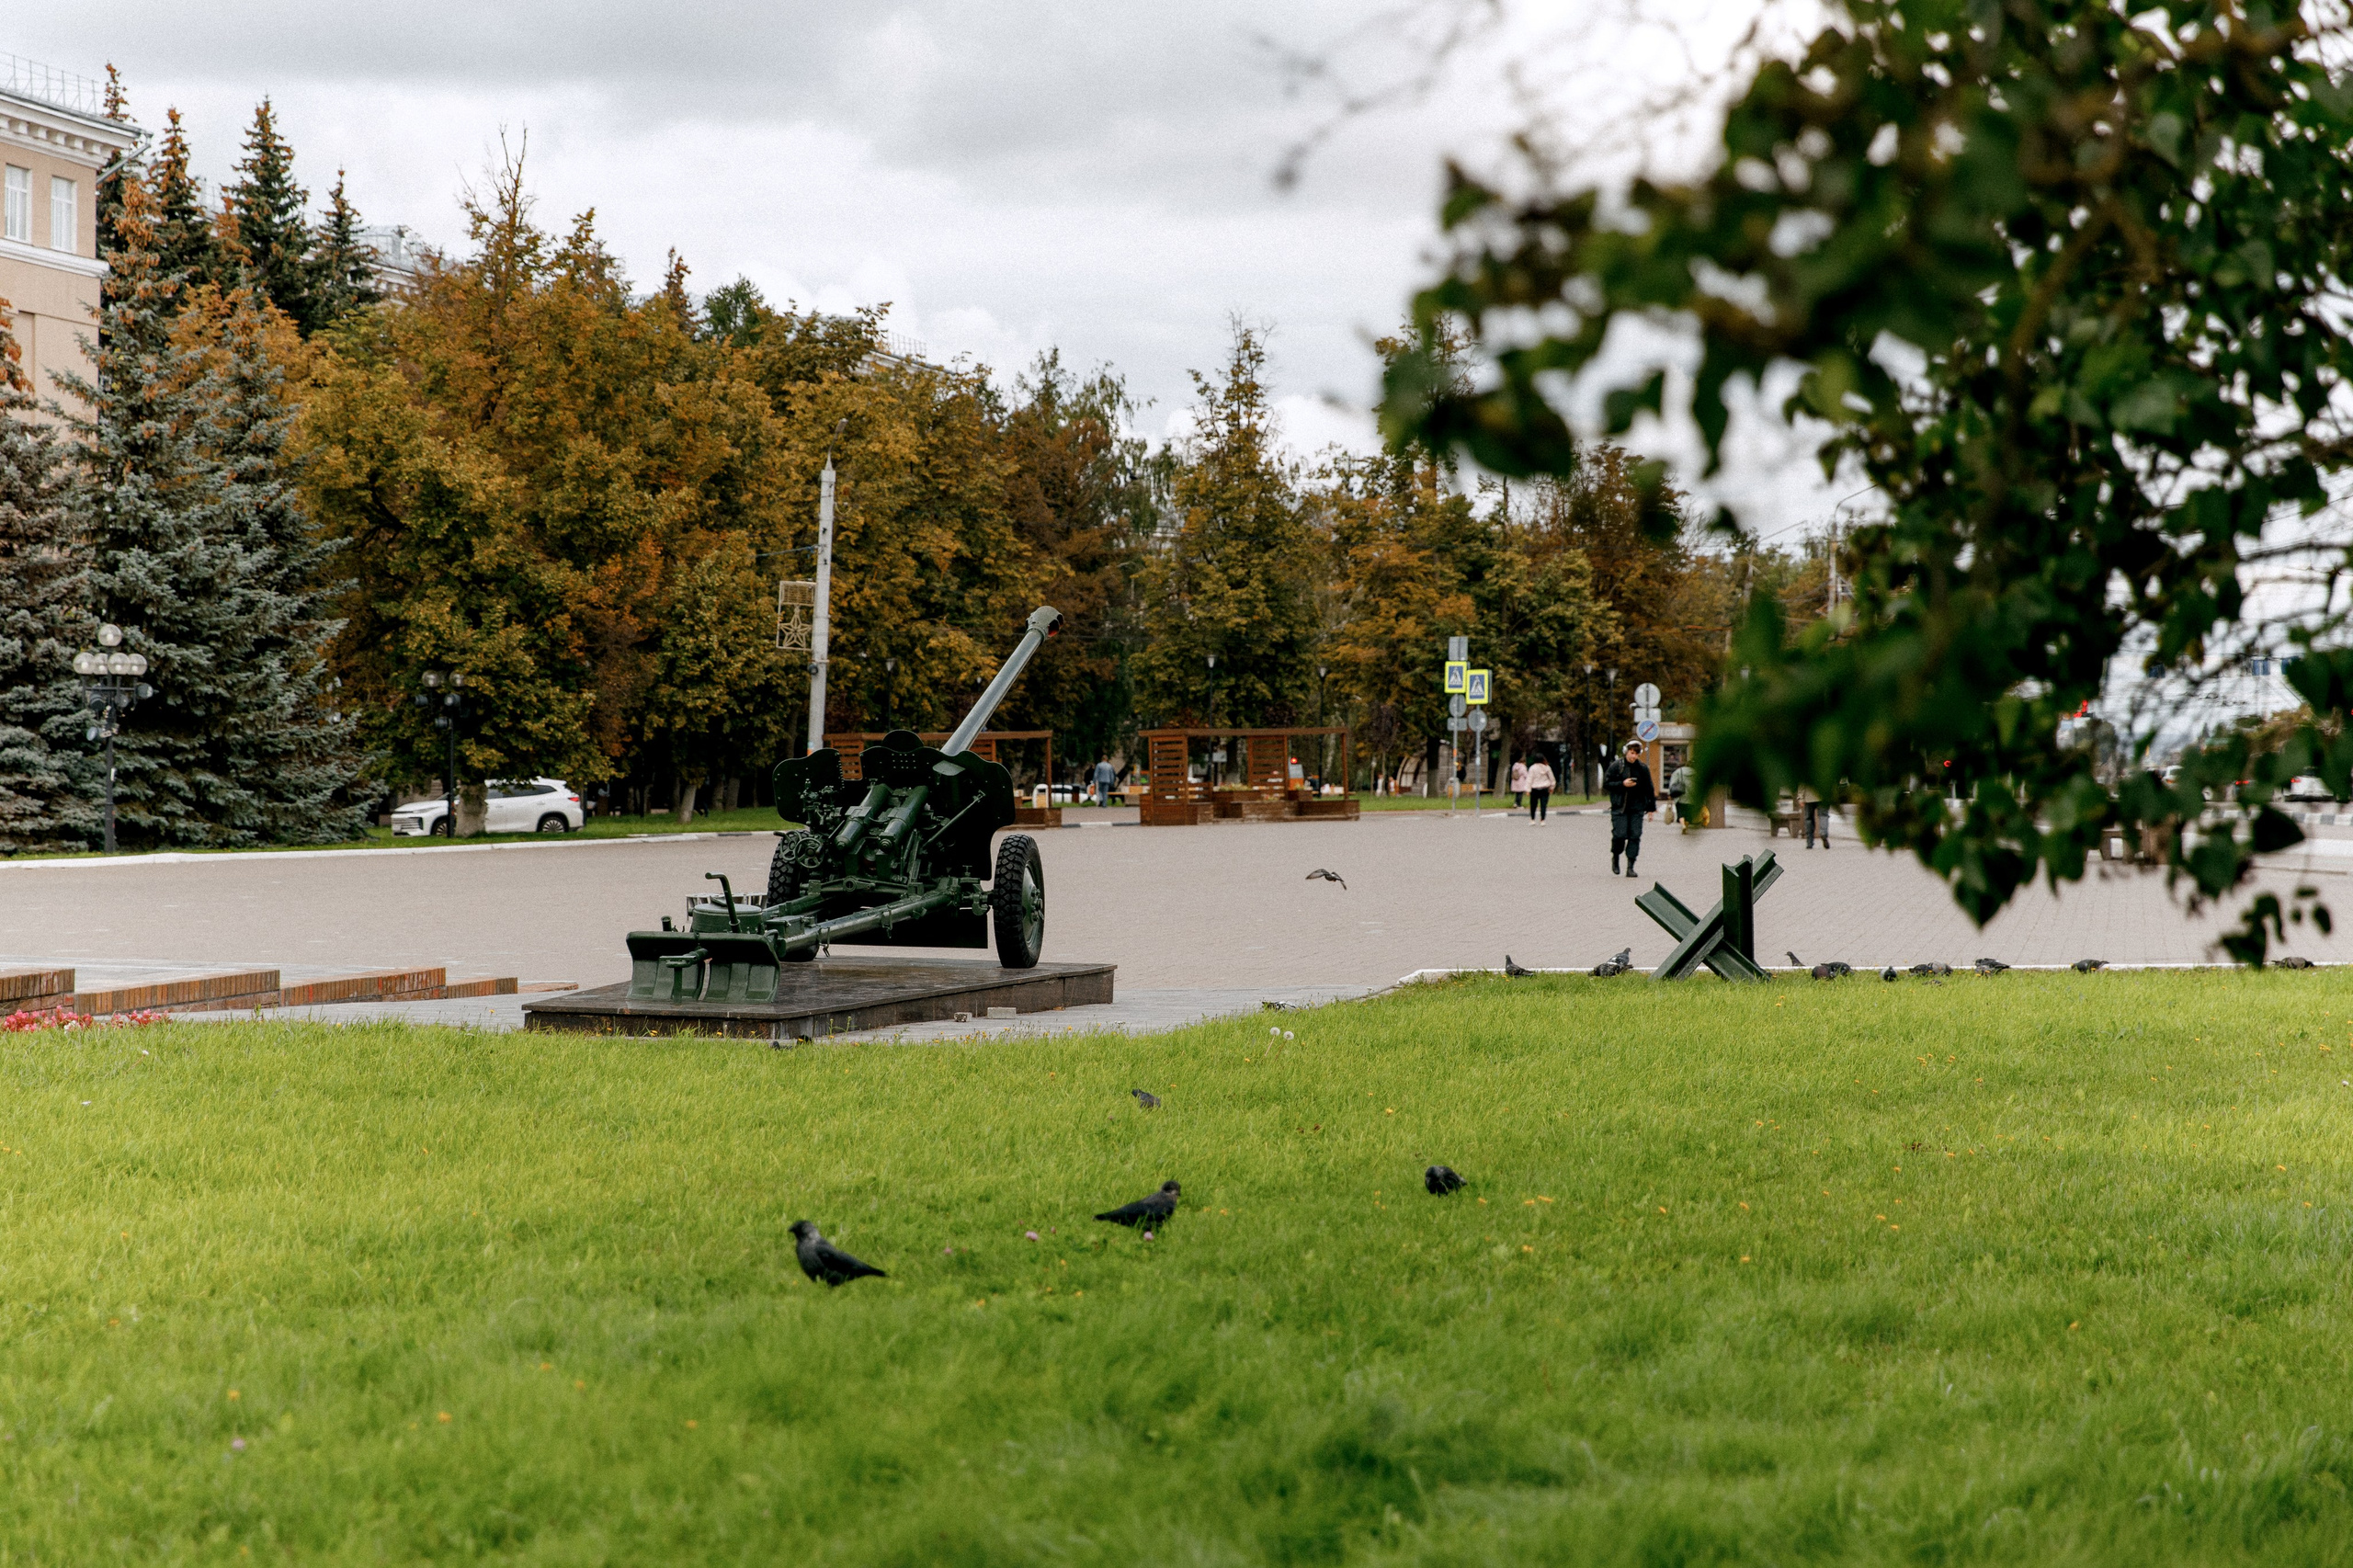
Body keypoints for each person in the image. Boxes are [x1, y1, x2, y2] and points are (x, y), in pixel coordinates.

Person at [1604, 741, 1657, 877]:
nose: (1634, 756)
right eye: (1632, 753)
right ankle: (1615, 856)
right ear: (1626, 752)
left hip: (1637, 807)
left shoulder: (1642, 769)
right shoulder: (1617, 766)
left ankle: (1630, 866)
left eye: (1636, 754)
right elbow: (1607, 783)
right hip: (1620, 807)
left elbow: (1649, 788)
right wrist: (1622, 784)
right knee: (1619, 835)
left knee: (1635, 836)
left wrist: (1651, 808)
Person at [1526, 756, 1555, 822]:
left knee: (1533, 804)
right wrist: (1552, 787)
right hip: (1545, 788)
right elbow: (1552, 778)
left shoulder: (1532, 768)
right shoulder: (1547, 768)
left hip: (1535, 789)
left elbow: (1529, 779)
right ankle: (1542, 820)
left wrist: (1528, 790)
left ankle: (1532, 819)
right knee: (1543, 805)